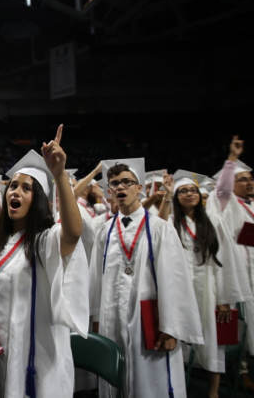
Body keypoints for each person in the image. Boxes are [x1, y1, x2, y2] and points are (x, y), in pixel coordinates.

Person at [0, 126, 89, 397]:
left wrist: (58, 175)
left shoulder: (44, 241)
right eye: (13, 186)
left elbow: (73, 233)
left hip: (36, 358)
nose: (16, 192)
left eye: (26, 189)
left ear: (39, 201)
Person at [90, 158, 203, 398]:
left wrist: (171, 328)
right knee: (115, 380)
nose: (120, 187)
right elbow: (95, 280)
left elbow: (175, 280)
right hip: (113, 321)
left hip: (148, 322)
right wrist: (97, 320)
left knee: (151, 383)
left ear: (139, 188)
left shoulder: (160, 228)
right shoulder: (105, 231)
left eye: (126, 182)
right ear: (109, 191)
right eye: (114, 184)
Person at [158, 170, 251, 398]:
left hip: (208, 287)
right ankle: (178, 385)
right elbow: (157, 229)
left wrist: (225, 299)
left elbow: (226, 262)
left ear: (199, 195)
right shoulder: (171, 222)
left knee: (212, 338)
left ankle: (213, 391)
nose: (189, 194)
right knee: (178, 336)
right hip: (180, 289)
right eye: (183, 191)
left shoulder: (214, 221)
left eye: (193, 190)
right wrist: (166, 196)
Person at [205, 136, 254, 387]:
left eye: (250, 178)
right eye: (242, 179)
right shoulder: (226, 202)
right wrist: (232, 159)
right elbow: (222, 189)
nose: (249, 183)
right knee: (242, 322)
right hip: (238, 272)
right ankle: (243, 369)